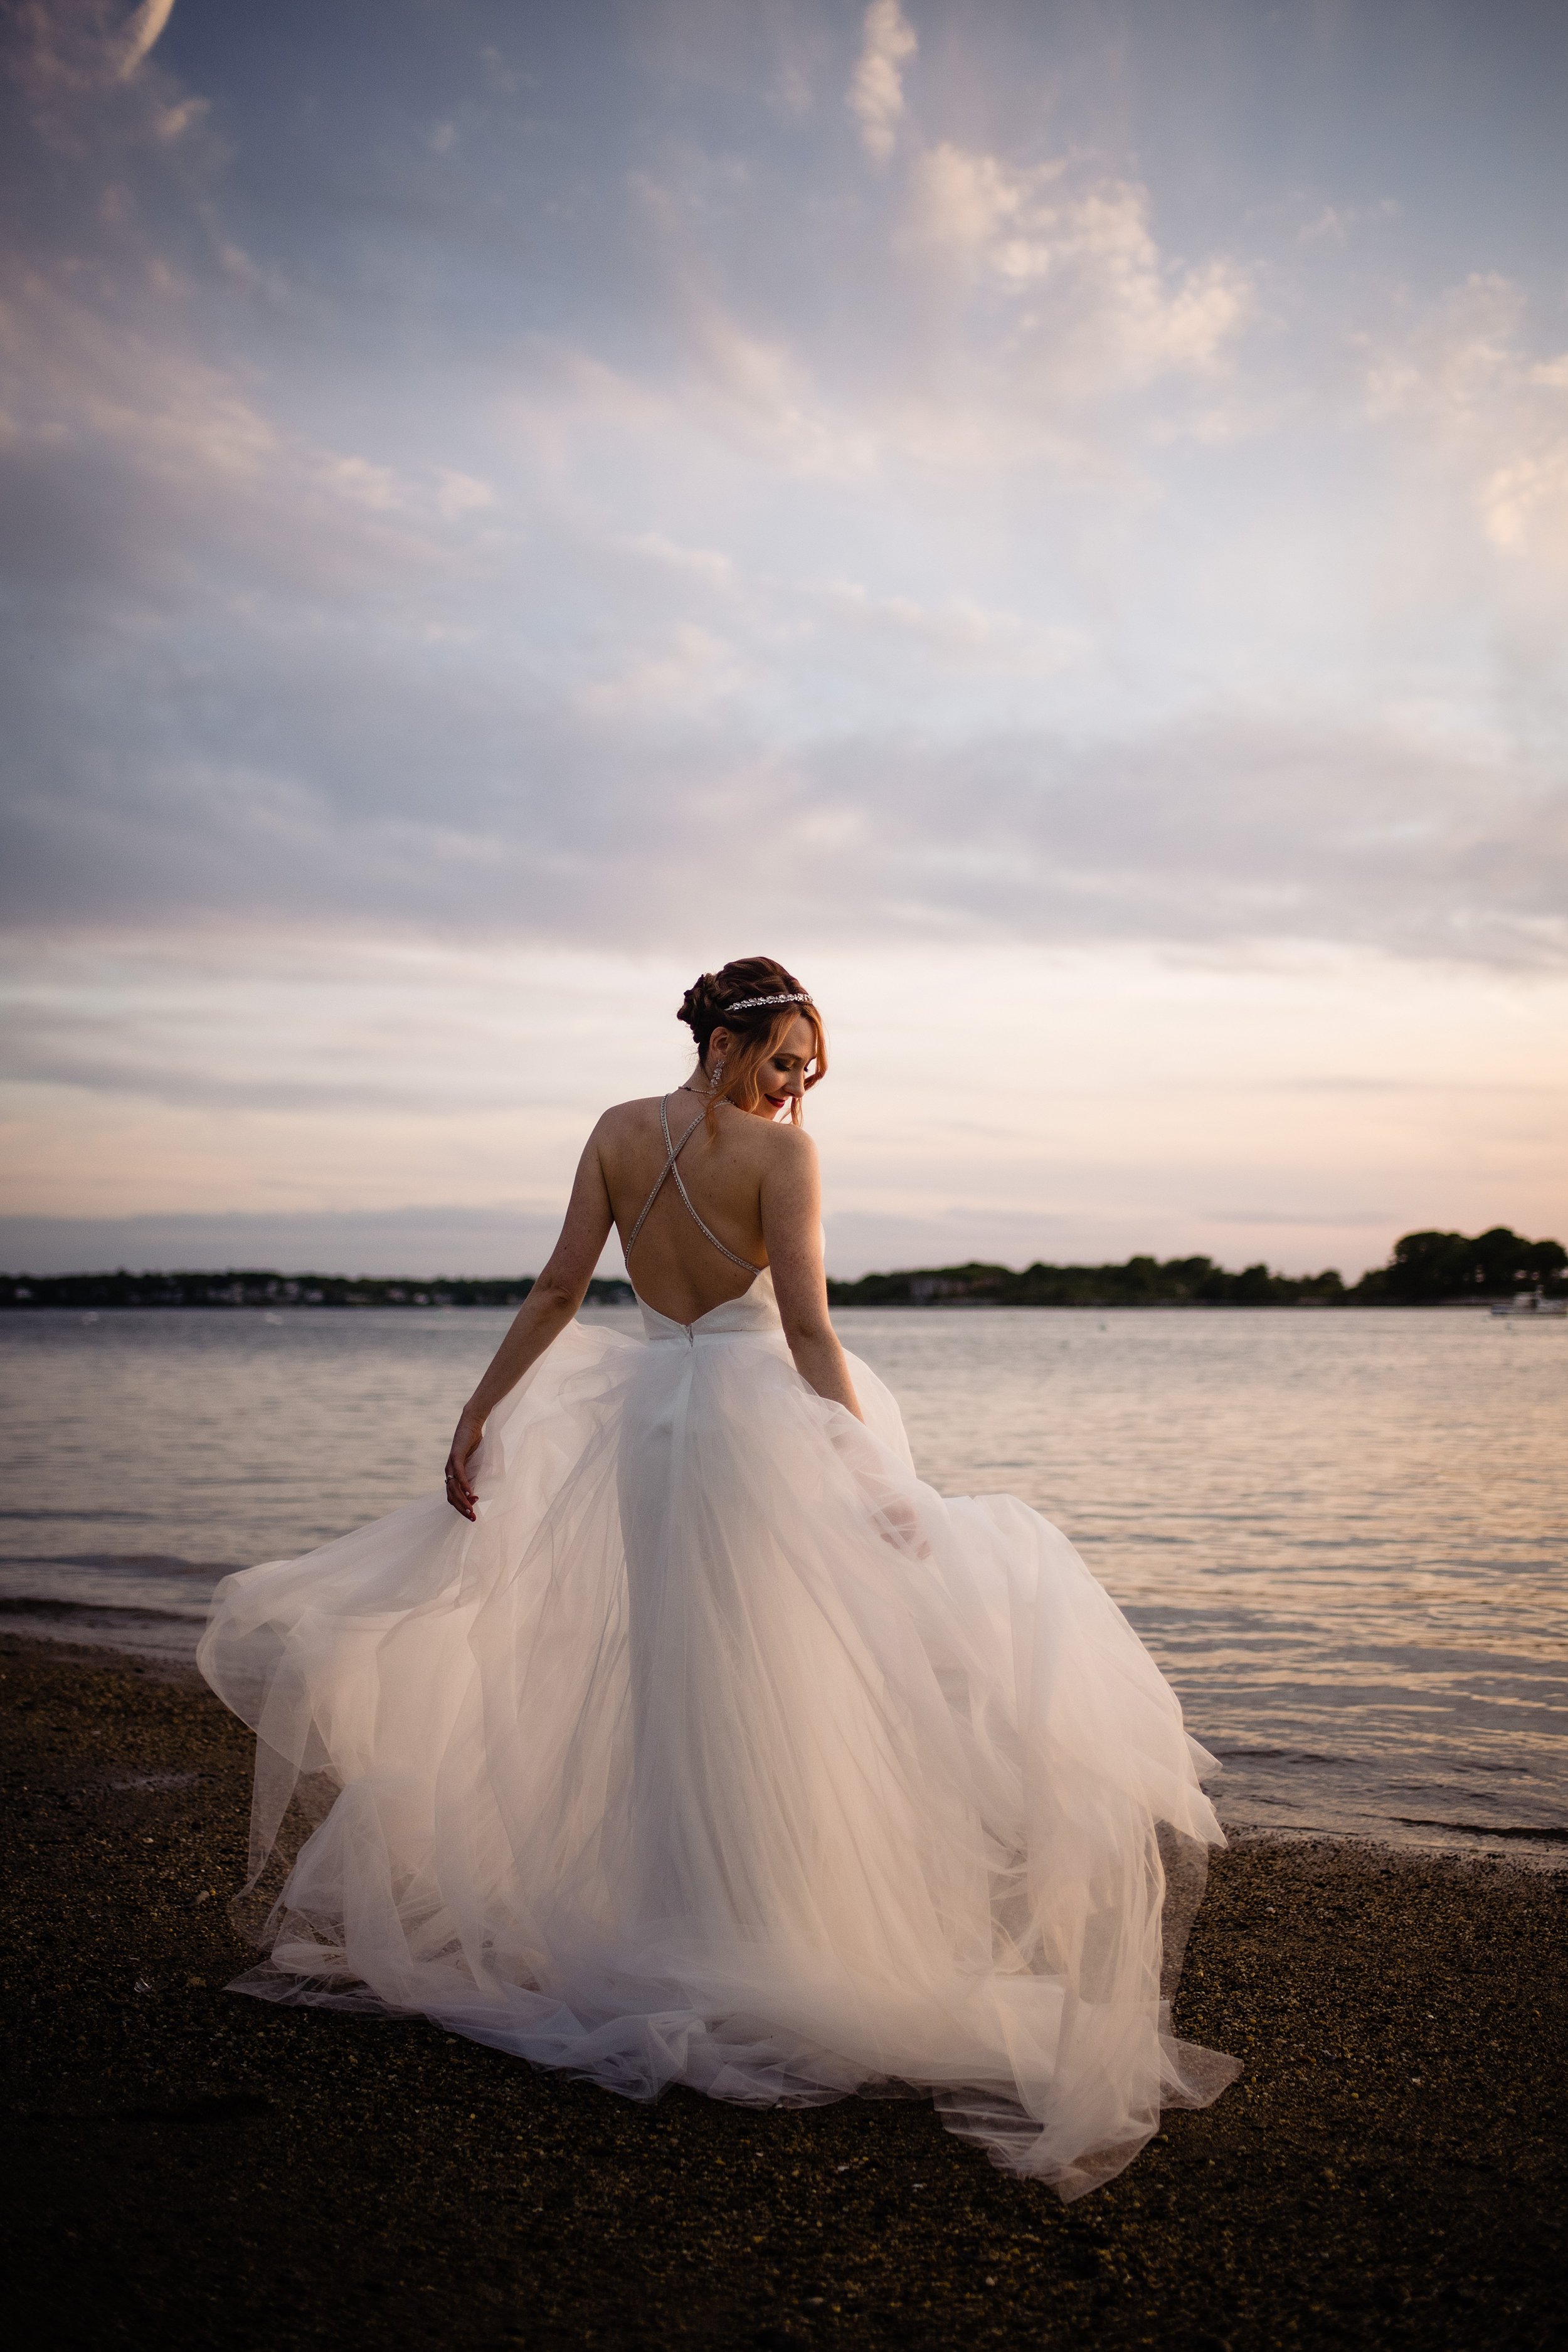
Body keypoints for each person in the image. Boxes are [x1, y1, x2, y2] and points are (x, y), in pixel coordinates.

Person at [198, 955, 1237, 2198]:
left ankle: (674, 1930)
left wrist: (477, 1414)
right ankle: (750, 1939)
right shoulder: (776, 1158)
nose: (797, 1089)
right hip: (753, 1439)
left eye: (809, 1070)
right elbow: (805, 1328)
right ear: (725, 1042)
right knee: (771, 1682)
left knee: (682, 1674)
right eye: (785, 1060)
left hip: (649, 1432)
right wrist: (870, 1475)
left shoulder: (614, 1133)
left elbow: (557, 1287)